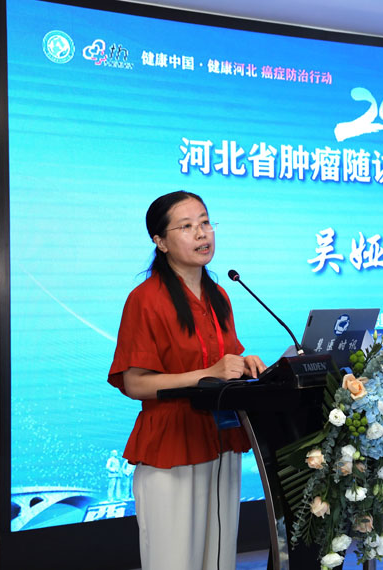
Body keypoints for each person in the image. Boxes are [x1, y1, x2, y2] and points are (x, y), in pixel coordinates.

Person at [108, 191, 266, 570]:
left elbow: (222, 362)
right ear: (160, 242)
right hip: (171, 448)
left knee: (219, 558)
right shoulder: (145, 299)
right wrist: (208, 375)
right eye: (186, 226)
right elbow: (136, 384)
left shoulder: (219, 295)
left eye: (205, 222)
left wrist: (245, 365)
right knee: (175, 560)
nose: (201, 233)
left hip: (221, 440)